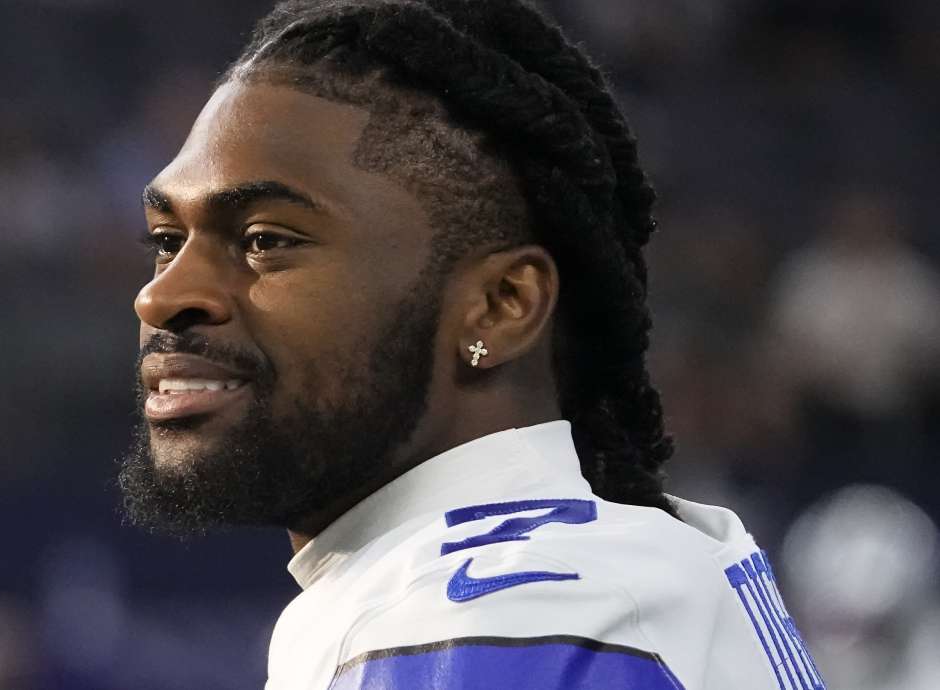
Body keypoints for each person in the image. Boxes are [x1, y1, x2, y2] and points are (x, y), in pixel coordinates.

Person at [119, 1, 825, 688]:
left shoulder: (497, 615)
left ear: (500, 307)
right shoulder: (582, 582)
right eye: (167, 241)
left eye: (266, 240)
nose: (160, 297)